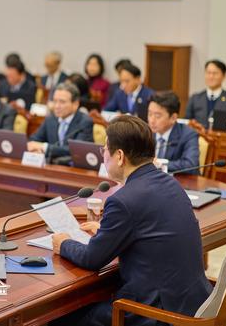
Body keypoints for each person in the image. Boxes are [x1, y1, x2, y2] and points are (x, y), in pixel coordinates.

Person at [50, 115, 212, 326]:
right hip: (193, 306)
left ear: (119, 156)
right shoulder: (171, 184)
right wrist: (108, 231)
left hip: (155, 315)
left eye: (104, 149)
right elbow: (148, 230)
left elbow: (91, 259)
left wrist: (63, 243)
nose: (103, 155)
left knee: (58, 318)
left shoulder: (123, 201)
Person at [27, 83, 94, 160]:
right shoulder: (50, 119)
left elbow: (77, 151)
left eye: (62, 102)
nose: (57, 106)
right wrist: (37, 149)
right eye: (55, 101)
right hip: (50, 164)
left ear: (75, 104)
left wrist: (45, 148)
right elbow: (34, 140)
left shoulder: (85, 122)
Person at [147, 92, 199, 174]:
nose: (152, 120)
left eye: (157, 116)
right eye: (150, 114)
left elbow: (191, 165)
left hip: (180, 180)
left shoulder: (188, 135)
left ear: (173, 118)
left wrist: (161, 164)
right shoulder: (145, 133)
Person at [185, 59, 226, 127]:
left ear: (224, 76)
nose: (211, 76)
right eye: (208, 73)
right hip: (197, 133)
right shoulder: (195, 98)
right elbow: (187, 121)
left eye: (215, 73)